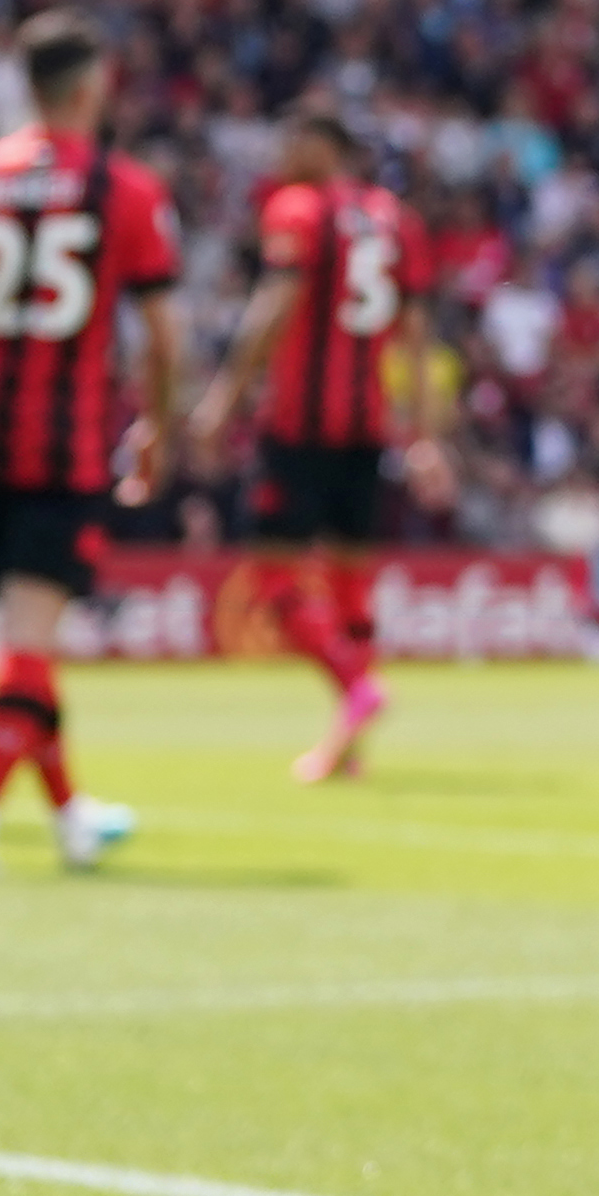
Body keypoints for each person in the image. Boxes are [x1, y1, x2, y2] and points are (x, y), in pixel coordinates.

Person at [0, 9, 183, 875]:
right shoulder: (124, 188)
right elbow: (163, 335)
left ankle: (69, 821)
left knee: (28, 634)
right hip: (69, 446)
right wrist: (158, 426)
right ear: (91, 89)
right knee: (26, 636)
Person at [188, 98, 443, 785]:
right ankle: (349, 746)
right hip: (367, 427)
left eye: (288, 141)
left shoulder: (298, 208)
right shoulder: (397, 220)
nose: (279, 156)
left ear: (316, 144)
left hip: (299, 426)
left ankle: (355, 687)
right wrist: (423, 433)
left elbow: (274, 309)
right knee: (349, 586)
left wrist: (222, 398)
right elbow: (417, 338)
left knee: (273, 576)